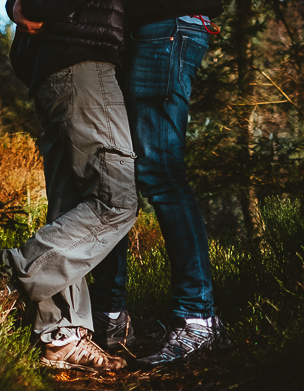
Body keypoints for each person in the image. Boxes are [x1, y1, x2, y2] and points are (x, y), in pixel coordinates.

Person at [1, 0, 136, 373]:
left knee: (69, 209)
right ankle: (10, 275)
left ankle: (62, 337)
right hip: (82, 60)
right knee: (115, 202)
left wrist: (16, 5)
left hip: (51, 67)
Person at [88, 0, 223, 366]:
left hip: (165, 24)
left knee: (160, 170)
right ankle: (109, 314)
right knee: (116, 173)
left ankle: (198, 318)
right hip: (141, 29)